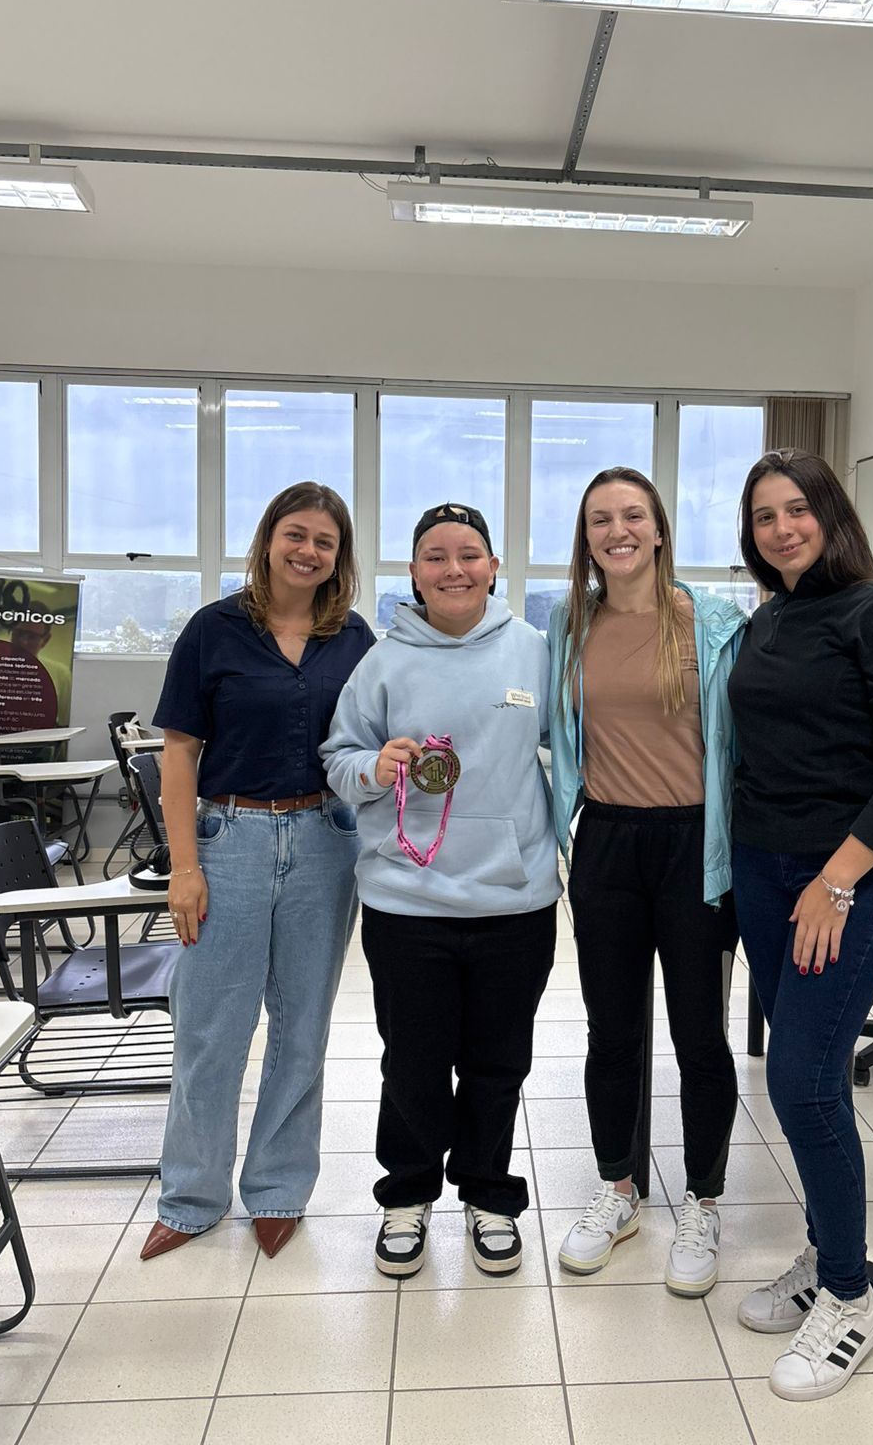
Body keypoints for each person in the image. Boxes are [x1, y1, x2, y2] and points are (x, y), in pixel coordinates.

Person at [728, 448, 873, 1401]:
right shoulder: (771, 619)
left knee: (804, 1082)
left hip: (845, 878)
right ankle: (824, 1256)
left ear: (831, 515)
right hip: (766, 874)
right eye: (765, 515)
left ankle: (850, 1298)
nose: (783, 528)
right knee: (809, 1076)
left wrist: (836, 881)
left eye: (798, 510)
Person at [321, 502, 560, 1279]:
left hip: (514, 902)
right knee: (413, 1062)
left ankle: (490, 1194)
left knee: (499, 1063)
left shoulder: (535, 652)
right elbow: (338, 757)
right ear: (414, 573)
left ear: (494, 567)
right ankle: (408, 1193)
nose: (453, 568)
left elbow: (587, 749)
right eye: (434, 556)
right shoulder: (384, 660)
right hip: (407, 904)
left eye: (468, 554)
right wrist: (372, 768)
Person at [141, 482, 375, 1263]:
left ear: (340, 557)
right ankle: (191, 1194)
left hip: (323, 841)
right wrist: (184, 866)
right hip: (228, 837)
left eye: (325, 542)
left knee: (302, 1028)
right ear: (269, 538)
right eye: (295, 534)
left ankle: (277, 1188)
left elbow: (372, 741)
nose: (308, 551)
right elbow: (178, 751)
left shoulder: (354, 638)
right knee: (211, 1029)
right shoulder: (214, 629)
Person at [548, 467, 747, 1298]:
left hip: (694, 846)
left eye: (633, 515)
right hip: (608, 843)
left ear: (660, 529)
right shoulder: (568, 623)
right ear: (586, 537)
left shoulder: (713, 620)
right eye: (601, 519)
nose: (617, 530)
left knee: (699, 1035)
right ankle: (619, 1189)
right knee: (613, 1032)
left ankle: (702, 1201)